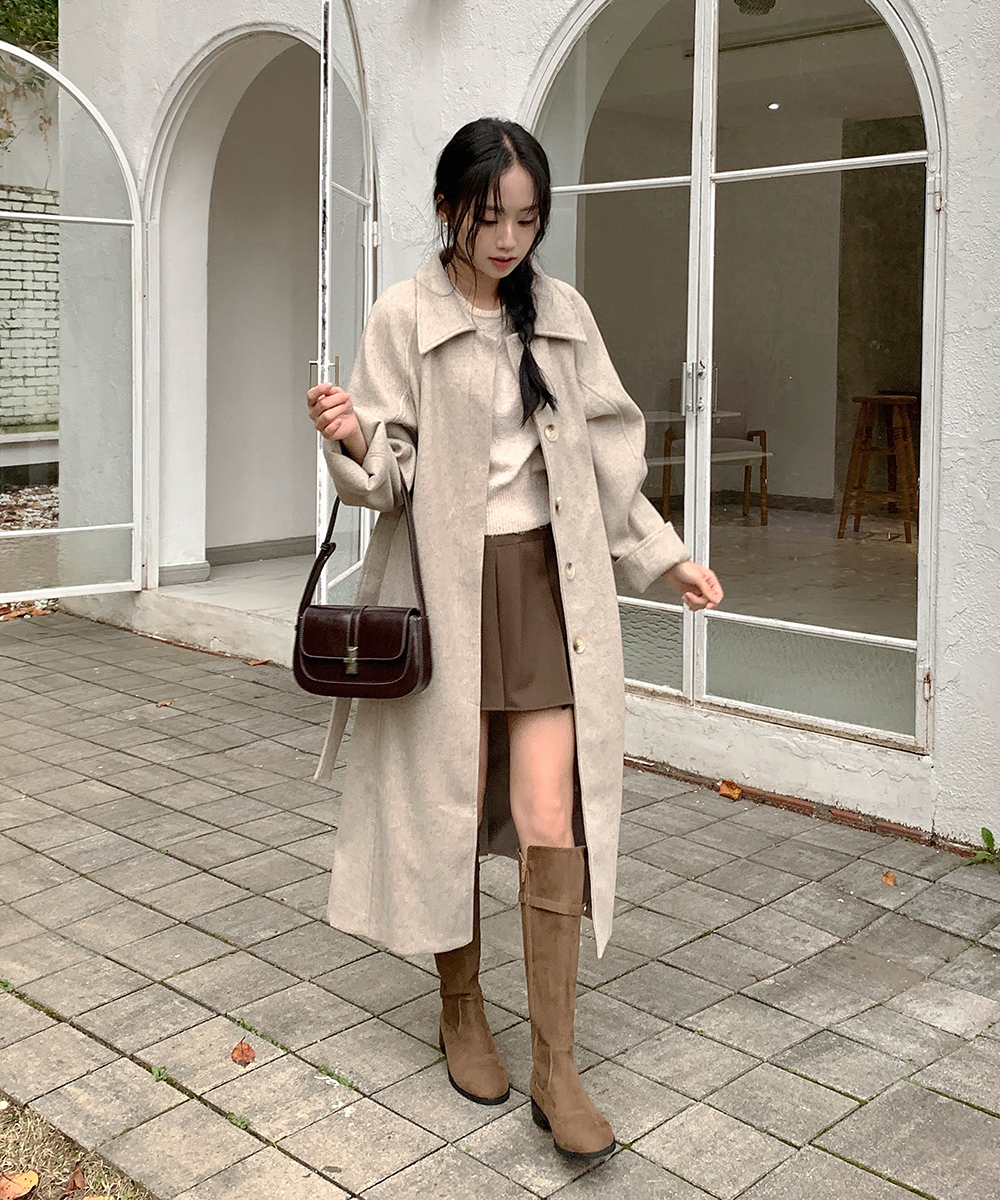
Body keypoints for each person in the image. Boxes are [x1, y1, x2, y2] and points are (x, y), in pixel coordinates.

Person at [306, 117, 722, 1162]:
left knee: (549, 812)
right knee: (448, 798)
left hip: (545, 586)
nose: (507, 239)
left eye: (527, 220)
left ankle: (556, 1064)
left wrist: (665, 555)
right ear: (450, 208)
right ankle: (460, 1008)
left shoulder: (562, 315)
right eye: (490, 217)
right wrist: (353, 438)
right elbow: (389, 479)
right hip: (442, 590)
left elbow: (608, 460)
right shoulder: (403, 315)